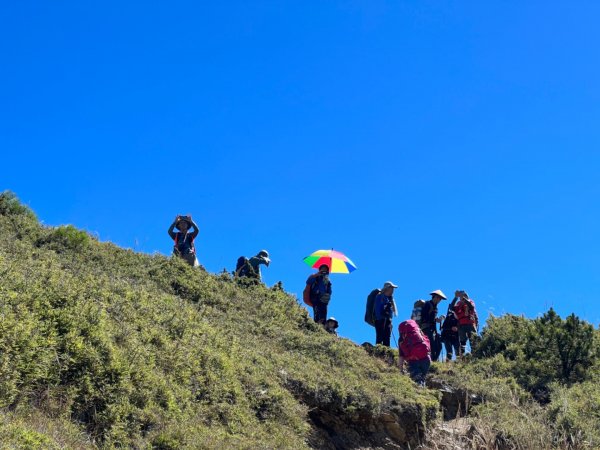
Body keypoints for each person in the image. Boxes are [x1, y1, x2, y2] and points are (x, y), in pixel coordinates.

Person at [398, 319, 431, 387]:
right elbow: (427, 343)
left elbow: (401, 357)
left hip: (413, 361)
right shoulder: (419, 332)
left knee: (417, 381)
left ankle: (421, 393)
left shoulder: (401, 339)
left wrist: (401, 370)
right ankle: (424, 390)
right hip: (426, 359)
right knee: (422, 377)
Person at [420, 290, 447, 361]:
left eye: (440, 299)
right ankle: (430, 361)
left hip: (432, 330)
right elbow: (424, 317)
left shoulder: (435, 307)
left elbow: (432, 318)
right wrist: (435, 319)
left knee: (439, 346)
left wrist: (436, 319)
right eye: (439, 298)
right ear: (434, 297)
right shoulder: (427, 304)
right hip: (426, 328)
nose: (439, 300)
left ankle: (433, 361)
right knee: (431, 345)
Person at [454, 291, 479, 356]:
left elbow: (471, 307)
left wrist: (464, 299)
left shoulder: (470, 301)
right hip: (461, 325)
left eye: (462, 296)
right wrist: (455, 297)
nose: (461, 297)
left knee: (473, 341)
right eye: (460, 296)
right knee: (462, 342)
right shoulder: (458, 303)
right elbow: (452, 308)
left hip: (470, 324)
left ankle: (475, 355)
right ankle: (461, 357)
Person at [373, 281, 398, 347]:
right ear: (387, 288)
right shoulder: (380, 297)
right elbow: (377, 309)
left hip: (388, 320)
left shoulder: (390, 298)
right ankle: (379, 351)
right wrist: (382, 316)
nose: (393, 290)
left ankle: (386, 352)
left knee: (387, 337)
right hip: (380, 320)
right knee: (380, 336)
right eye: (391, 288)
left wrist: (389, 319)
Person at [440, 293, 460, 361]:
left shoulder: (460, 318)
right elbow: (443, 328)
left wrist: (458, 329)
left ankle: (459, 365)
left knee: (458, 352)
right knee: (449, 352)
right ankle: (447, 366)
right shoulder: (449, 317)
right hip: (447, 337)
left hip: (456, 337)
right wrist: (451, 328)